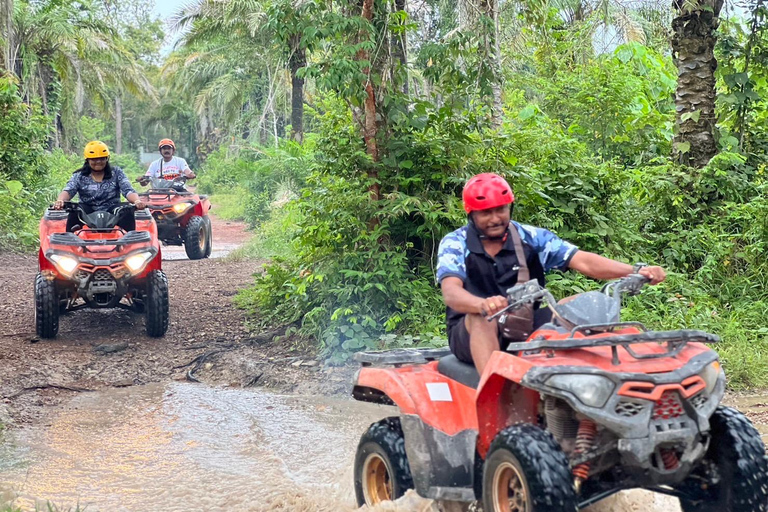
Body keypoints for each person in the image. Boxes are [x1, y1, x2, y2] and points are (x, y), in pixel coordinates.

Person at [436, 173, 666, 374]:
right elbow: (451, 293)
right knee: (482, 318)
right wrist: (482, 304)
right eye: (486, 213)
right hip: (470, 332)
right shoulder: (456, 243)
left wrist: (635, 270)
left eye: (501, 210)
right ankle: (495, 395)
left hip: (523, 324)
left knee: (581, 304)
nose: (495, 218)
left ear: (510, 208)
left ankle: (602, 379)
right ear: (472, 215)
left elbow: (583, 260)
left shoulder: (531, 237)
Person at [53, 141, 146, 232]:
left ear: (107, 159)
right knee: (73, 211)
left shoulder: (117, 173)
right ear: (87, 160)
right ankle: (70, 243)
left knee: (127, 210)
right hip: (87, 211)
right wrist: (60, 200)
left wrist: (137, 201)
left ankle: (130, 241)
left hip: (112, 210)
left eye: (102, 158)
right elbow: (69, 190)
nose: (98, 162)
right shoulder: (79, 175)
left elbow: (128, 190)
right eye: (94, 159)